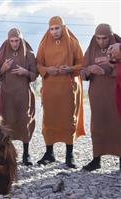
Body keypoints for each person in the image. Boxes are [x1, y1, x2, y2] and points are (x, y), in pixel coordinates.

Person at [36, 16, 85, 168]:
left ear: (63, 27)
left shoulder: (73, 43)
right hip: (50, 88)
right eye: (52, 29)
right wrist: (46, 70)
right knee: (49, 119)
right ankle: (49, 153)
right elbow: (38, 63)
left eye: (57, 28)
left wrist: (70, 69)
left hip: (68, 88)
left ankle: (69, 155)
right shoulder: (44, 43)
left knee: (68, 120)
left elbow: (82, 63)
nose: (54, 32)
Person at [81, 24, 121, 171]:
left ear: (111, 36)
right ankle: (96, 159)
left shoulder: (118, 48)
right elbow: (82, 70)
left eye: (105, 38)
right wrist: (90, 70)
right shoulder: (91, 48)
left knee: (118, 124)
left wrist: (109, 69)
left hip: (116, 93)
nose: (101, 42)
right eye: (98, 38)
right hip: (96, 95)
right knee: (97, 125)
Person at [0, 28, 37, 166]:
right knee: (7, 123)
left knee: (25, 122)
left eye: (17, 40)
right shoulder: (2, 53)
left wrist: (25, 72)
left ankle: (26, 154)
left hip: (23, 94)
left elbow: (35, 75)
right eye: (11, 41)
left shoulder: (29, 54)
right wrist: (3, 69)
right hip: (6, 95)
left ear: (21, 39)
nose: (14, 44)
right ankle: (7, 153)